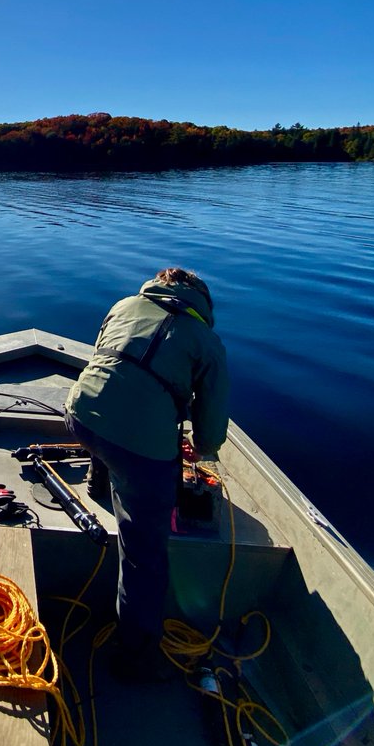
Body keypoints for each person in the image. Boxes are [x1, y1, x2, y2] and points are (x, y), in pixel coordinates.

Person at [64, 267, 229, 680]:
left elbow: (110, 366)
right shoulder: (208, 343)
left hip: (81, 416)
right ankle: (135, 657)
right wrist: (199, 447)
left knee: (111, 427)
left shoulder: (124, 306)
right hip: (138, 449)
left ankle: (97, 481)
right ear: (201, 303)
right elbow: (210, 434)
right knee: (143, 556)